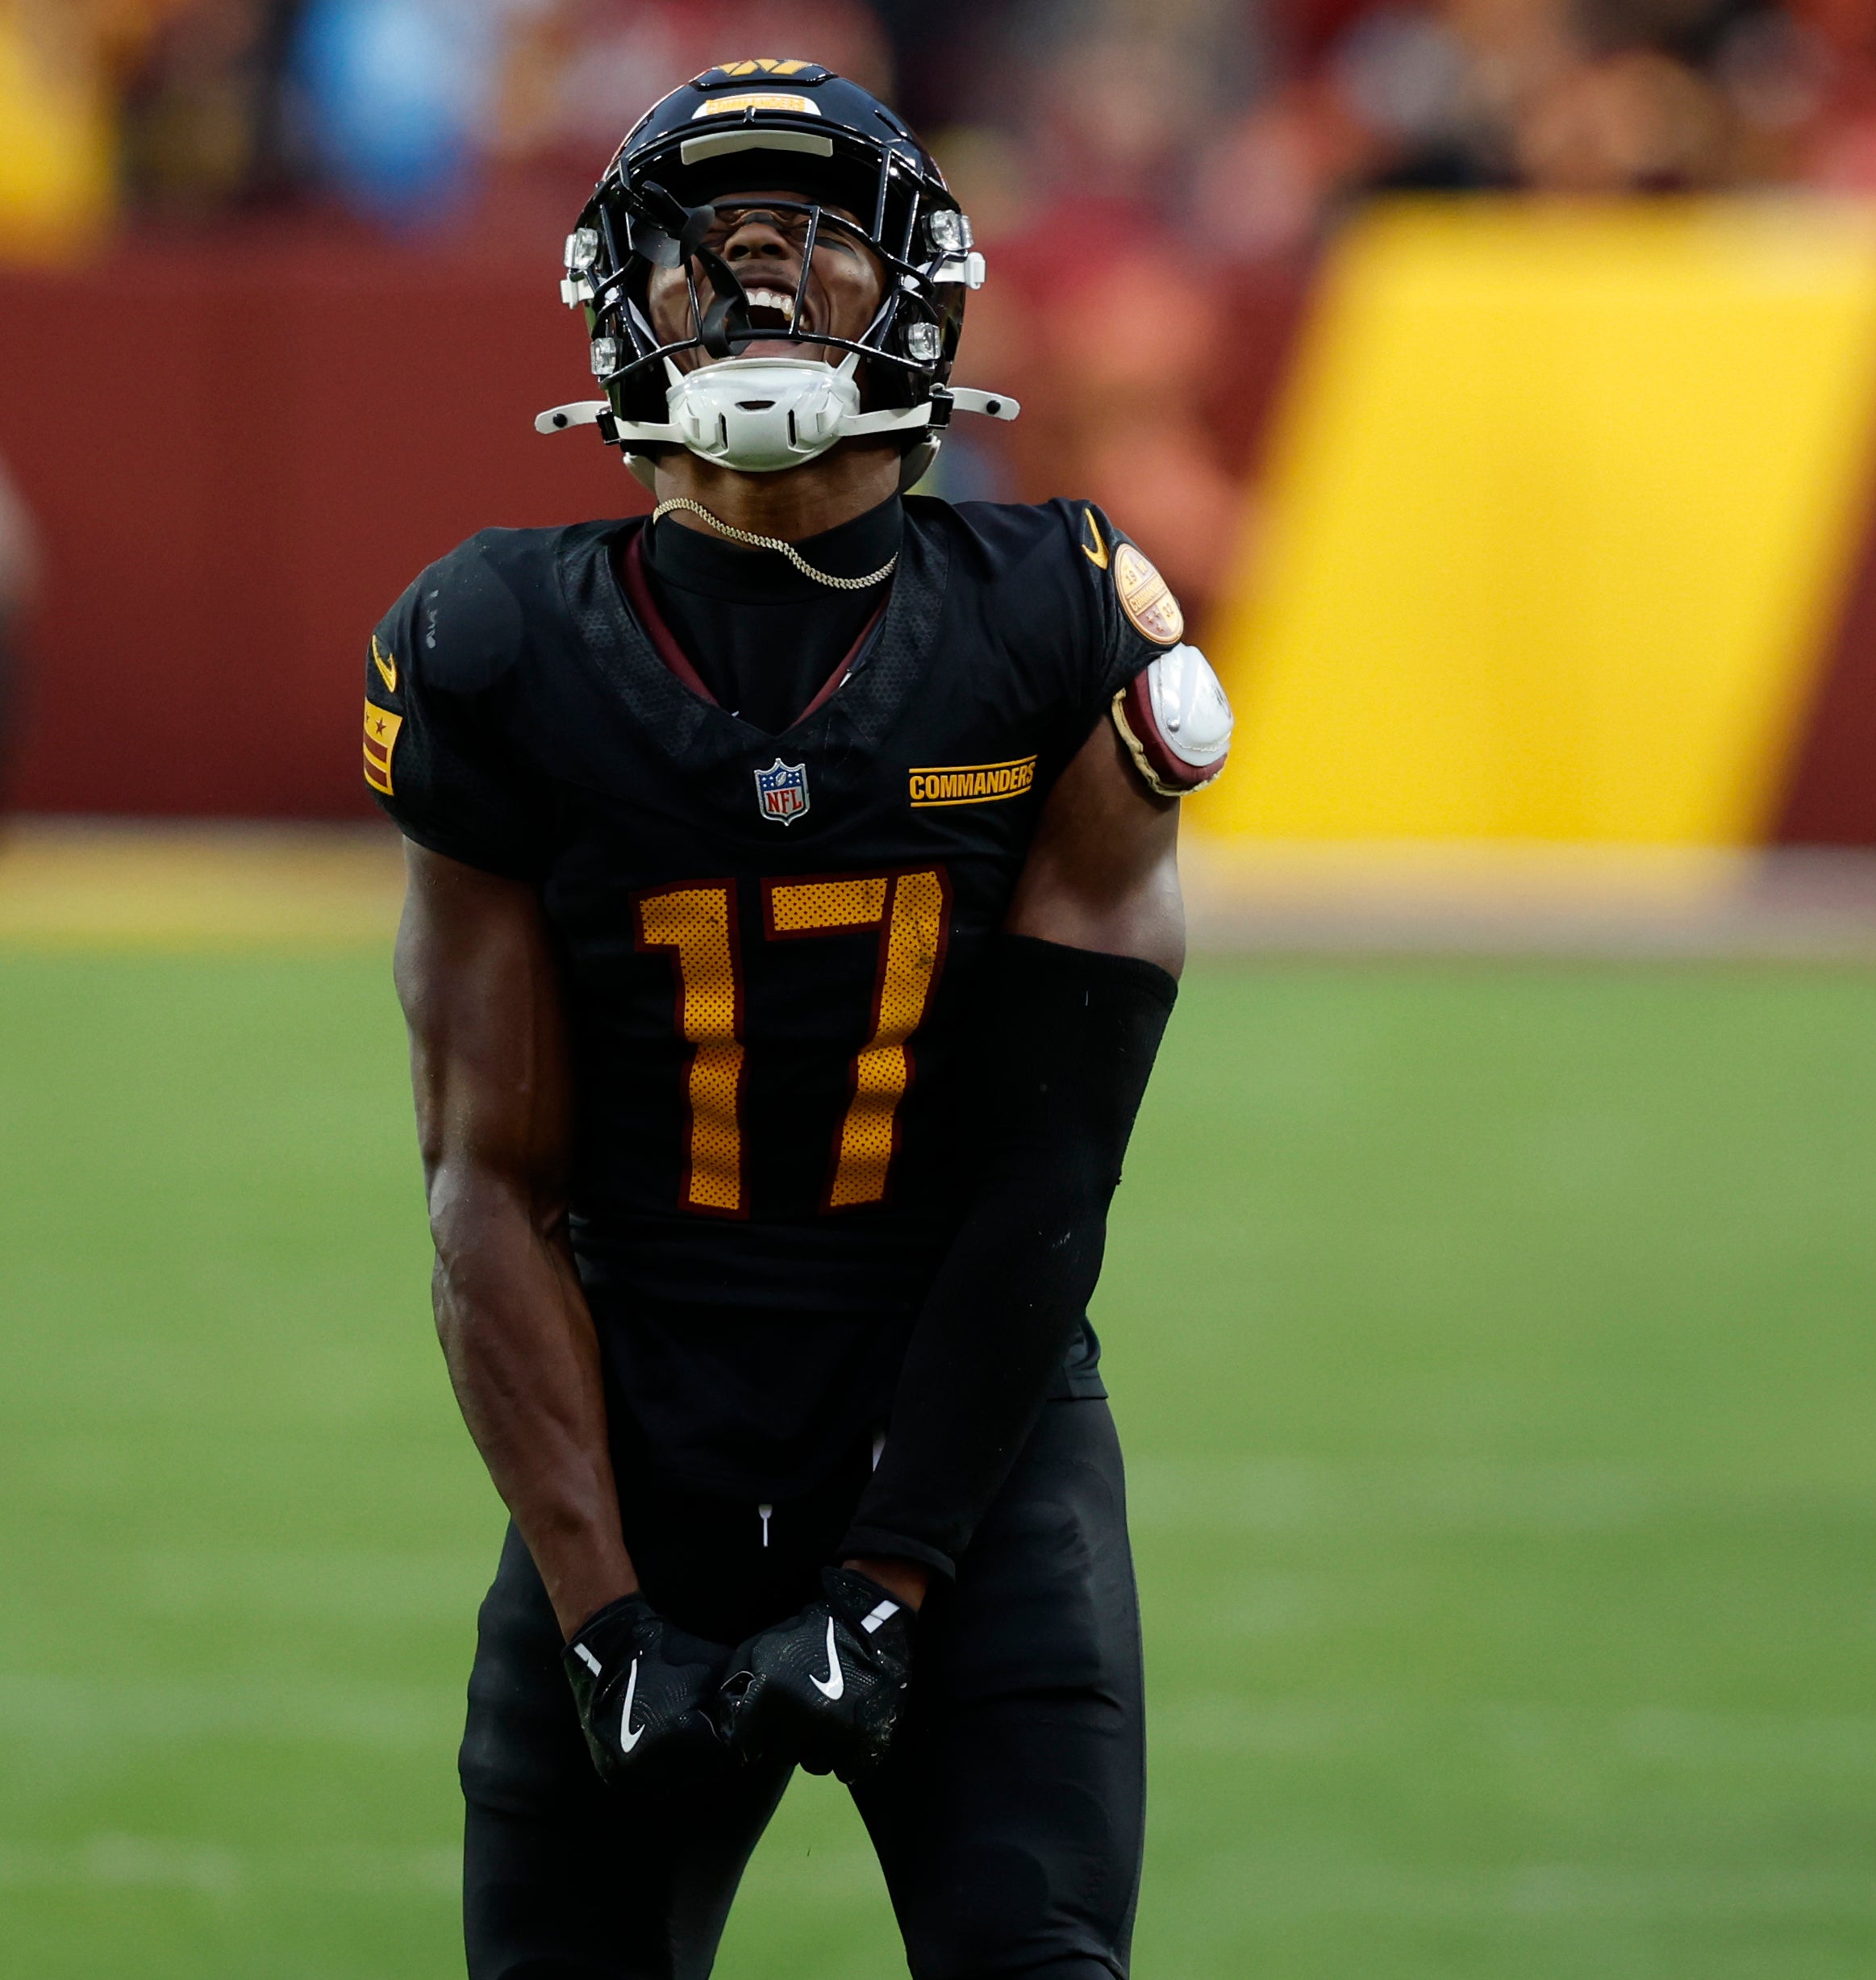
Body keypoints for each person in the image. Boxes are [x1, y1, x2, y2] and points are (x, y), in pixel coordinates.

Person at [365, 58, 1232, 1979]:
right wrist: (602, 1617)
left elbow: (1050, 1168)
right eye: (710, 243)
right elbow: (479, 1186)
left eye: (814, 234)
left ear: (915, 286)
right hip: (631, 1444)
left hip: (971, 1456)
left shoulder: (1054, 621)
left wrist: (892, 1572)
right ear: (617, 304)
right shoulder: (493, 645)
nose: (758, 272)